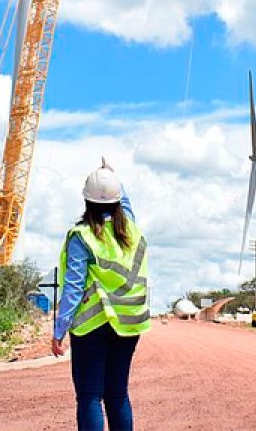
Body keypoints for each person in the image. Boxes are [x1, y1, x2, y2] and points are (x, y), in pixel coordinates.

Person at [53, 159, 151, 431]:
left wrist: (59, 329)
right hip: (130, 323)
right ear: (118, 201)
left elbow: (73, 287)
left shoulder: (82, 236)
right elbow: (125, 203)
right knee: (117, 393)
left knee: (90, 396)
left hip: (92, 326)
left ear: (87, 202)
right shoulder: (130, 229)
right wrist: (112, 175)